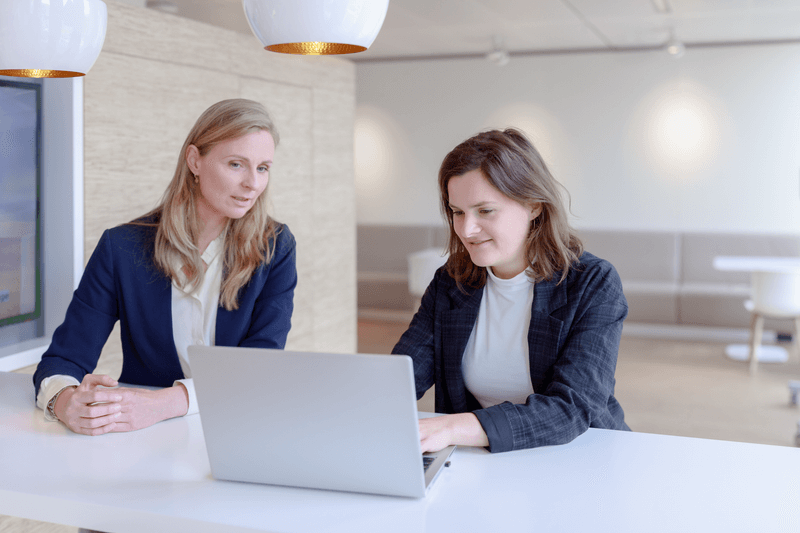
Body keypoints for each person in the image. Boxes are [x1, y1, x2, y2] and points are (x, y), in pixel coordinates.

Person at [33, 98, 297, 436]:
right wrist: (65, 401)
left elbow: (260, 364)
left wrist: (167, 403)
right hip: (147, 438)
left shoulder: (275, 246)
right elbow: (63, 359)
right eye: (236, 164)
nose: (253, 184)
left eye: (263, 168)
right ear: (194, 160)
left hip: (240, 427)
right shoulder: (121, 247)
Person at [393, 128, 629, 454]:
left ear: (533, 205)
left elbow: (572, 407)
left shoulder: (592, 282)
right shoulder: (451, 282)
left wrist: (453, 427)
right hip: (486, 460)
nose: (467, 230)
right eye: (457, 212)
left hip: (580, 457)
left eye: (485, 211)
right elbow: (402, 378)